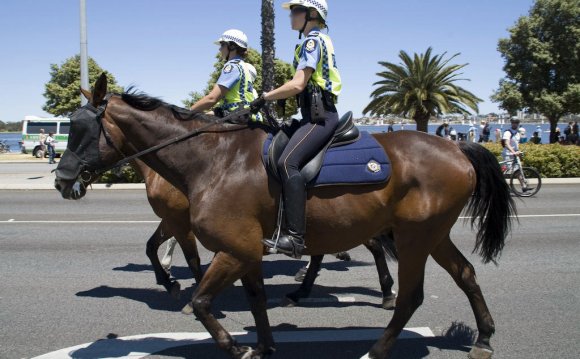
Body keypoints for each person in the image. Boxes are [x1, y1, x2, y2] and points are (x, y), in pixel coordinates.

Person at [260, 0, 340, 258]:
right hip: (310, 115)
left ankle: (295, 238)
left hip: (321, 118)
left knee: (286, 163)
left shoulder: (312, 42)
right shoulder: (310, 42)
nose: (291, 16)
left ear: (312, 14)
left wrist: (266, 96)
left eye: (296, 11)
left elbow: (298, 84)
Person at [190, 29, 261, 121]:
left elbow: (212, 98)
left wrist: (187, 112)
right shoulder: (242, 66)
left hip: (238, 117)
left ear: (232, 47)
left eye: (222, 44)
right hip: (245, 115)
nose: (220, 49)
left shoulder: (232, 66)